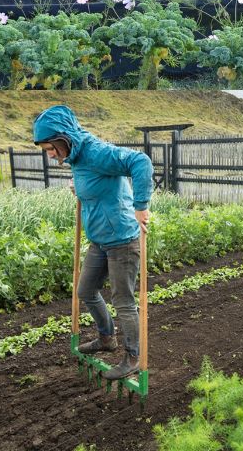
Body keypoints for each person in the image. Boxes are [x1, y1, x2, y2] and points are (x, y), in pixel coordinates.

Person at [33, 105, 153, 381]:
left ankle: (133, 357)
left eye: (51, 148)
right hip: (99, 240)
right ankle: (106, 337)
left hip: (122, 239)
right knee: (85, 290)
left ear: (63, 139)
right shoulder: (76, 156)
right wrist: (80, 188)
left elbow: (140, 162)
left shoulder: (96, 152)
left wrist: (140, 205)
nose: (50, 155)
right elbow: (94, 180)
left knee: (123, 300)